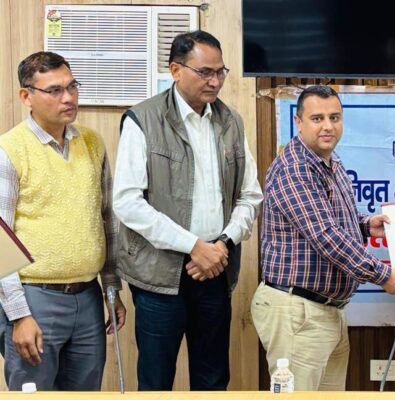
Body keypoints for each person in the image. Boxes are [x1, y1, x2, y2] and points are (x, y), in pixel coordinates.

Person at [113, 30, 262, 391]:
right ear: (175, 70)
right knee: (156, 381)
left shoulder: (230, 121)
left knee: (213, 379)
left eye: (221, 72)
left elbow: (250, 196)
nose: (215, 81)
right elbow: (128, 202)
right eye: (205, 72)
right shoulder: (143, 119)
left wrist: (221, 245)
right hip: (159, 274)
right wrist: (194, 246)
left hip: (215, 268)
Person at [251, 85, 395, 391]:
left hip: (327, 310)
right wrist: (383, 276)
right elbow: (326, 236)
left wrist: (365, 225)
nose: (327, 126)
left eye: (334, 117)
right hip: (298, 311)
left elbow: (331, 221)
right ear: (299, 122)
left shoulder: (330, 162)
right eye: (317, 118)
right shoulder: (295, 169)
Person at [0, 51, 126, 391]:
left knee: (86, 393)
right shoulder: (9, 149)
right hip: (34, 298)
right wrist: (19, 315)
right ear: (26, 96)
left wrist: (112, 288)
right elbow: (1, 242)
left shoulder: (92, 143)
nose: (68, 97)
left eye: (72, 86)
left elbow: (107, 221)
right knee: (33, 394)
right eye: (54, 90)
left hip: (88, 296)